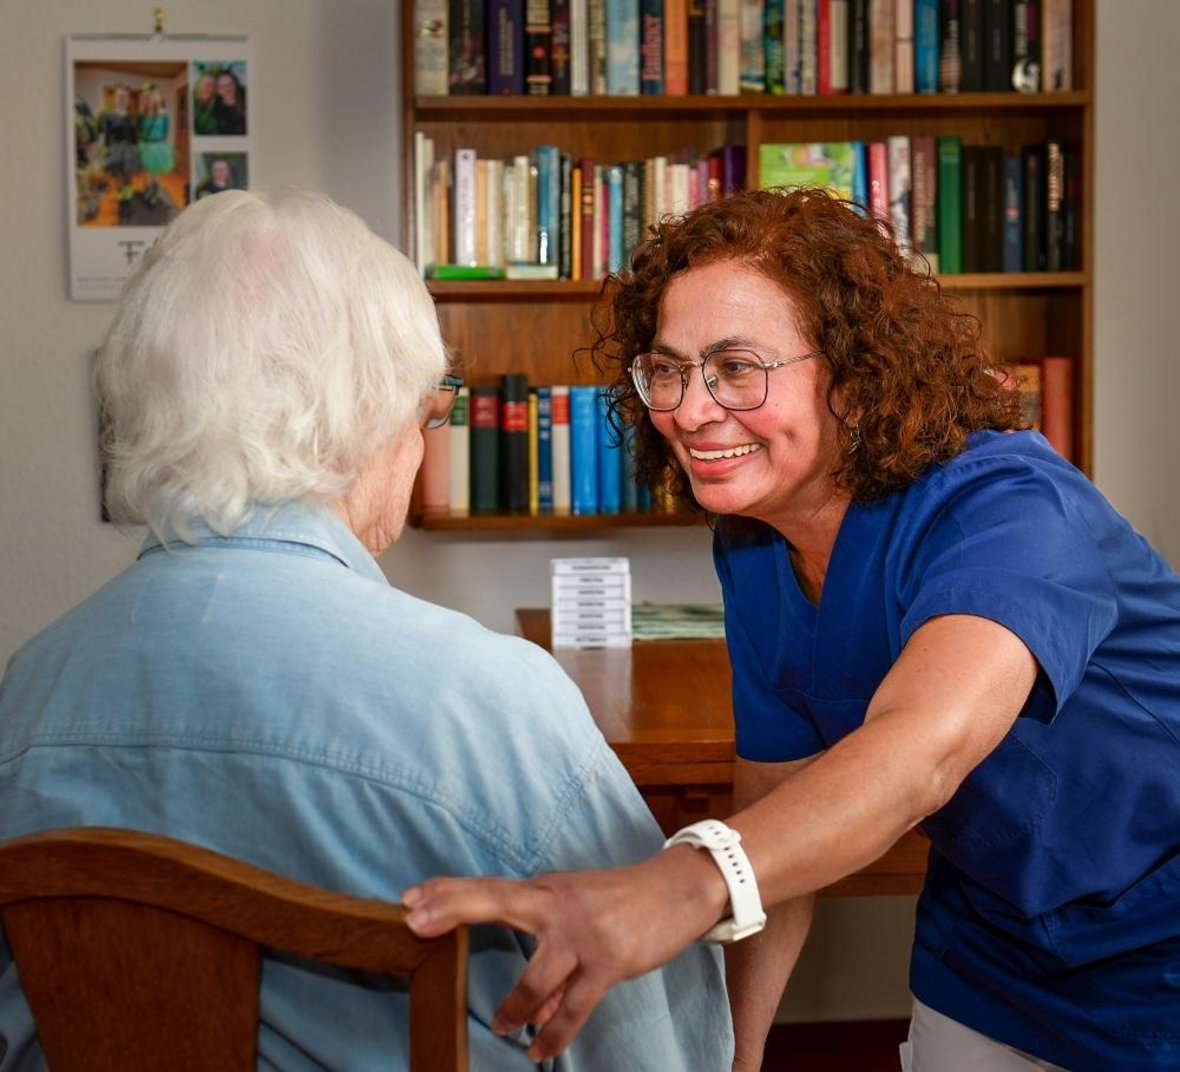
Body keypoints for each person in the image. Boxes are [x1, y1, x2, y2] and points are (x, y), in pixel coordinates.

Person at [402, 187, 1180, 1072]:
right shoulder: (756, 537)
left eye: (736, 367)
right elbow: (772, 809)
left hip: (1161, 944)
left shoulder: (1011, 511)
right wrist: (734, 1055)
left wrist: (680, 885)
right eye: (668, 369)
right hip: (993, 947)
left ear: (853, 373)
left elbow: (922, 747)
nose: (691, 411)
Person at [0, 190, 731, 1071]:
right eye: (427, 415)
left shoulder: (30, 693)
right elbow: (657, 1049)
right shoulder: (490, 705)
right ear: (364, 420)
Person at [136, 82, 175, 209]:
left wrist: (160, 145)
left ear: (155, 97)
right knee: (147, 173)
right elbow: (139, 132)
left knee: (156, 173)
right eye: (145, 98)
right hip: (146, 146)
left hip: (158, 146)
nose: (147, 100)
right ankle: (148, 192)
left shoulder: (164, 114)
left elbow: (165, 131)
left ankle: (155, 193)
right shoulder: (141, 115)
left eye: (149, 97)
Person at [214, 66, 247, 135]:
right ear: (218, 90)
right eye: (222, 86)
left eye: (230, 84)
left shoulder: (246, 101)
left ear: (236, 84)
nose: (227, 89)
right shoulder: (215, 108)